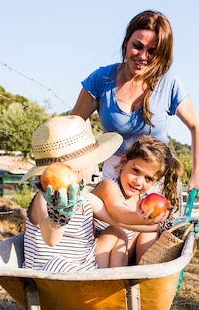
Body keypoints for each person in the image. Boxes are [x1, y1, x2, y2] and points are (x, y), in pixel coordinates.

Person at [70, 9, 199, 195]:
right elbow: (72, 127)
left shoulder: (169, 84)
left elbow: (197, 127)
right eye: (137, 46)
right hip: (114, 175)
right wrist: (80, 164)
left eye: (152, 51)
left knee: (153, 223)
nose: (142, 56)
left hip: (154, 177)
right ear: (126, 42)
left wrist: (196, 175)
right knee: (112, 224)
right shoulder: (101, 79)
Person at [20, 115, 131, 272]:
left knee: (116, 232)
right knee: (58, 264)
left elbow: (118, 220)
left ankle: (111, 287)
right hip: (49, 274)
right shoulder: (43, 199)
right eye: (94, 161)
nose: (96, 166)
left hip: (83, 269)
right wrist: (57, 218)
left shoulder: (85, 198)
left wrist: (151, 222)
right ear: (81, 168)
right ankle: (94, 289)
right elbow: (50, 239)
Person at [92, 135, 184, 265]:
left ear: (155, 182)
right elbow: (118, 214)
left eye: (148, 179)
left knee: (149, 232)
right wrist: (140, 219)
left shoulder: (143, 202)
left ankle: (142, 273)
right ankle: (115, 282)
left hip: (121, 258)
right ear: (123, 162)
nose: (138, 182)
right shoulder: (109, 186)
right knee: (116, 232)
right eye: (135, 171)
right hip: (95, 256)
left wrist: (167, 225)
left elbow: (146, 229)